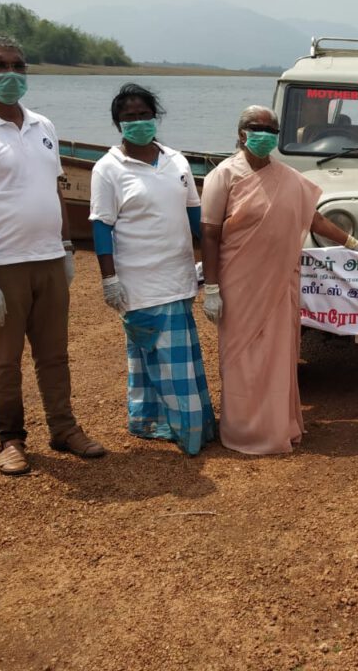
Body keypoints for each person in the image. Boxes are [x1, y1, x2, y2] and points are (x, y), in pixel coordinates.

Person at [0, 34, 105, 475]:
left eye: (18, 65)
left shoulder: (42, 126)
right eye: (0, 65)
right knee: (6, 359)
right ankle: (10, 438)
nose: (11, 74)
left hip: (49, 259)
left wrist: (67, 247)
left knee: (54, 353)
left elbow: (54, 189)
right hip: (1, 266)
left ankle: (64, 428)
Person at [200, 106, 358, 455]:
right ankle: (243, 430)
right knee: (241, 357)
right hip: (238, 283)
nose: (264, 134)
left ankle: (279, 426)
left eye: (271, 128)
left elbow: (315, 221)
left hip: (281, 283)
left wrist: (356, 244)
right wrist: (211, 288)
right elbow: (209, 233)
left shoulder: (289, 177)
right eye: (257, 127)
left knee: (279, 355)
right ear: (241, 133)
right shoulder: (223, 175)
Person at [89, 83, 216, 455]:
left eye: (144, 115)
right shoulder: (108, 169)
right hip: (138, 281)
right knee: (154, 355)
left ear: (154, 117)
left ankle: (152, 421)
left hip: (179, 276)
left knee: (177, 357)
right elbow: (101, 226)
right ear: (118, 124)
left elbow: (196, 217)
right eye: (129, 117)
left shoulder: (176, 161)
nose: (138, 122)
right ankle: (187, 431)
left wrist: (213, 263)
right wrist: (109, 279)